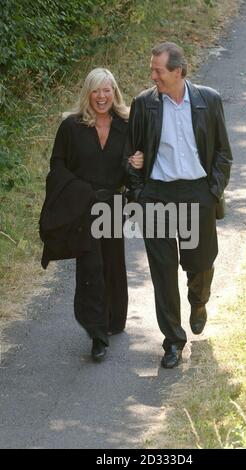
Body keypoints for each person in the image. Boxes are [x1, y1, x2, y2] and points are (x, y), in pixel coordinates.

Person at [125, 42, 232, 368]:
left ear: (178, 71)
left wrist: (212, 190)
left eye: (158, 70)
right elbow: (129, 156)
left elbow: (223, 153)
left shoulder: (207, 100)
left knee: (200, 263)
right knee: (162, 272)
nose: (152, 75)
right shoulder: (144, 105)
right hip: (156, 194)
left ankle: (198, 301)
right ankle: (173, 341)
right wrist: (138, 184)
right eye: (152, 69)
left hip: (197, 191)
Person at [39, 68, 143, 361]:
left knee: (111, 263)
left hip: (112, 206)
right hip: (83, 206)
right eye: (96, 91)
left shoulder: (126, 124)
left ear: (115, 93)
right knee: (91, 267)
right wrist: (80, 191)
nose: (101, 96)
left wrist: (136, 163)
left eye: (107, 90)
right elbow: (57, 166)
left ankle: (112, 320)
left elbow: (134, 166)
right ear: (87, 93)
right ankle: (97, 334)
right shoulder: (71, 127)